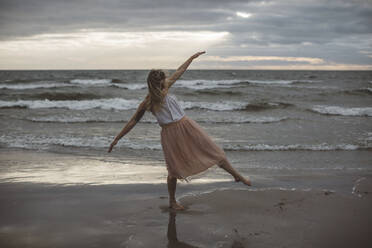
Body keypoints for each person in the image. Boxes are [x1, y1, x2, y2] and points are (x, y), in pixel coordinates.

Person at [108, 51, 251, 210]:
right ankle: (172, 201)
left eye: (164, 79)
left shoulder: (166, 87)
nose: (165, 81)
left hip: (187, 126)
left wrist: (191, 59)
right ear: (156, 83)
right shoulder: (148, 102)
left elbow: (179, 71)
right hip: (170, 134)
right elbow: (132, 122)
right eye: (162, 80)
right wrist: (117, 139)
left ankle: (237, 176)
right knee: (173, 170)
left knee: (212, 151)